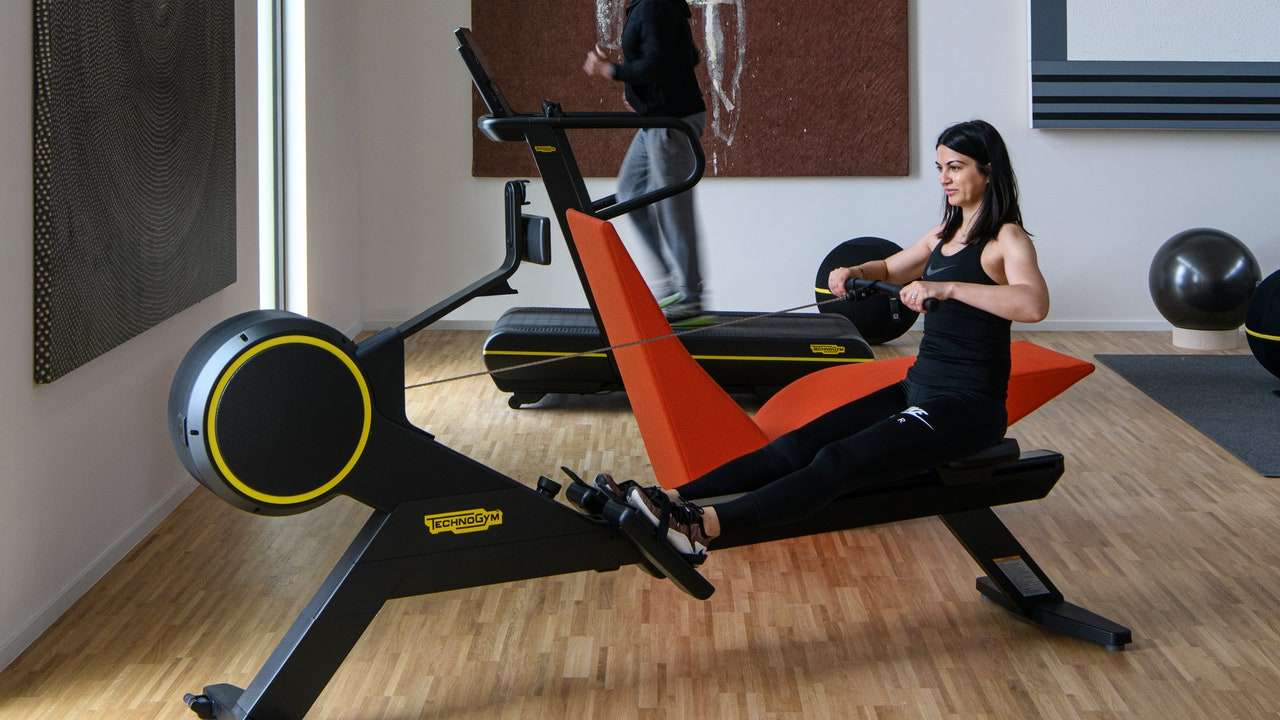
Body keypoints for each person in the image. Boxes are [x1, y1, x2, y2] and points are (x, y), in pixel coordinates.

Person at [599, 120, 1050, 563]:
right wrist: (855, 271)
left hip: (967, 408)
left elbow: (1033, 304)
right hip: (918, 388)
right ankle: (669, 498)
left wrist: (948, 288)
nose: (944, 179)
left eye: (955, 167)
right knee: (797, 445)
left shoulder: (1005, 238)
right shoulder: (942, 236)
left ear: (987, 171)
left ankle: (702, 528)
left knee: (839, 459)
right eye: (939, 168)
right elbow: (890, 268)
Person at [583, 0, 709, 324]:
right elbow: (689, 56)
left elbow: (656, 65)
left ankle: (690, 298)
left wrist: (609, 70)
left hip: (671, 123)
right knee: (630, 192)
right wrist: (643, 93)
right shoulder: (649, 5)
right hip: (655, 119)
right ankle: (668, 283)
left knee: (673, 211)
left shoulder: (654, 6)